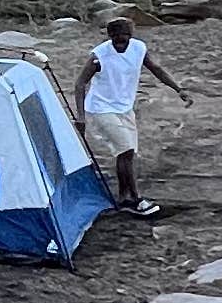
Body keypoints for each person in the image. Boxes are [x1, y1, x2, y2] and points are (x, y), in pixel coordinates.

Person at [73, 14, 189, 218]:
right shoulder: (98, 56)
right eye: (116, 39)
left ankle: (123, 197)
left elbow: (156, 69)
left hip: (125, 108)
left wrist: (178, 89)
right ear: (110, 37)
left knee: (126, 154)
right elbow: (80, 84)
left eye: (124, 39)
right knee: (126, 149)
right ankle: (136, 199)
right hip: (101, 109)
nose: (120, 44)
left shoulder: (139, 49)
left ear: (130, 36)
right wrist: (81, 117)